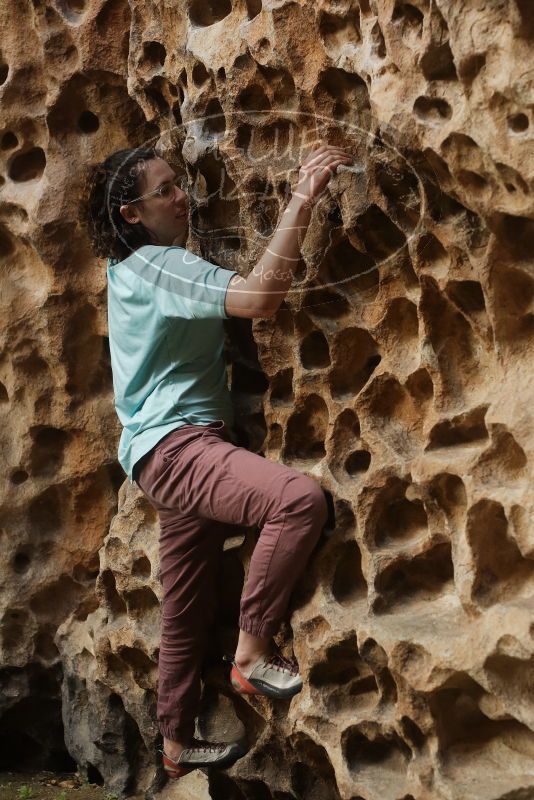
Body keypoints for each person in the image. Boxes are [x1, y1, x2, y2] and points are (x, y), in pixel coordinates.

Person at [80, 141, 353, 779]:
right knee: (297, 501)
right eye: (165, 190)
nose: (184, 196)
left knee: (184, 605)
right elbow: (260, 298)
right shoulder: (161, 267)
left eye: (180, 183)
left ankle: (174, 742)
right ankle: (251, 655)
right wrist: (302, 199)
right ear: (131, 215)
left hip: (157, 455)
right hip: (181, 448)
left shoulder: (132, 271)